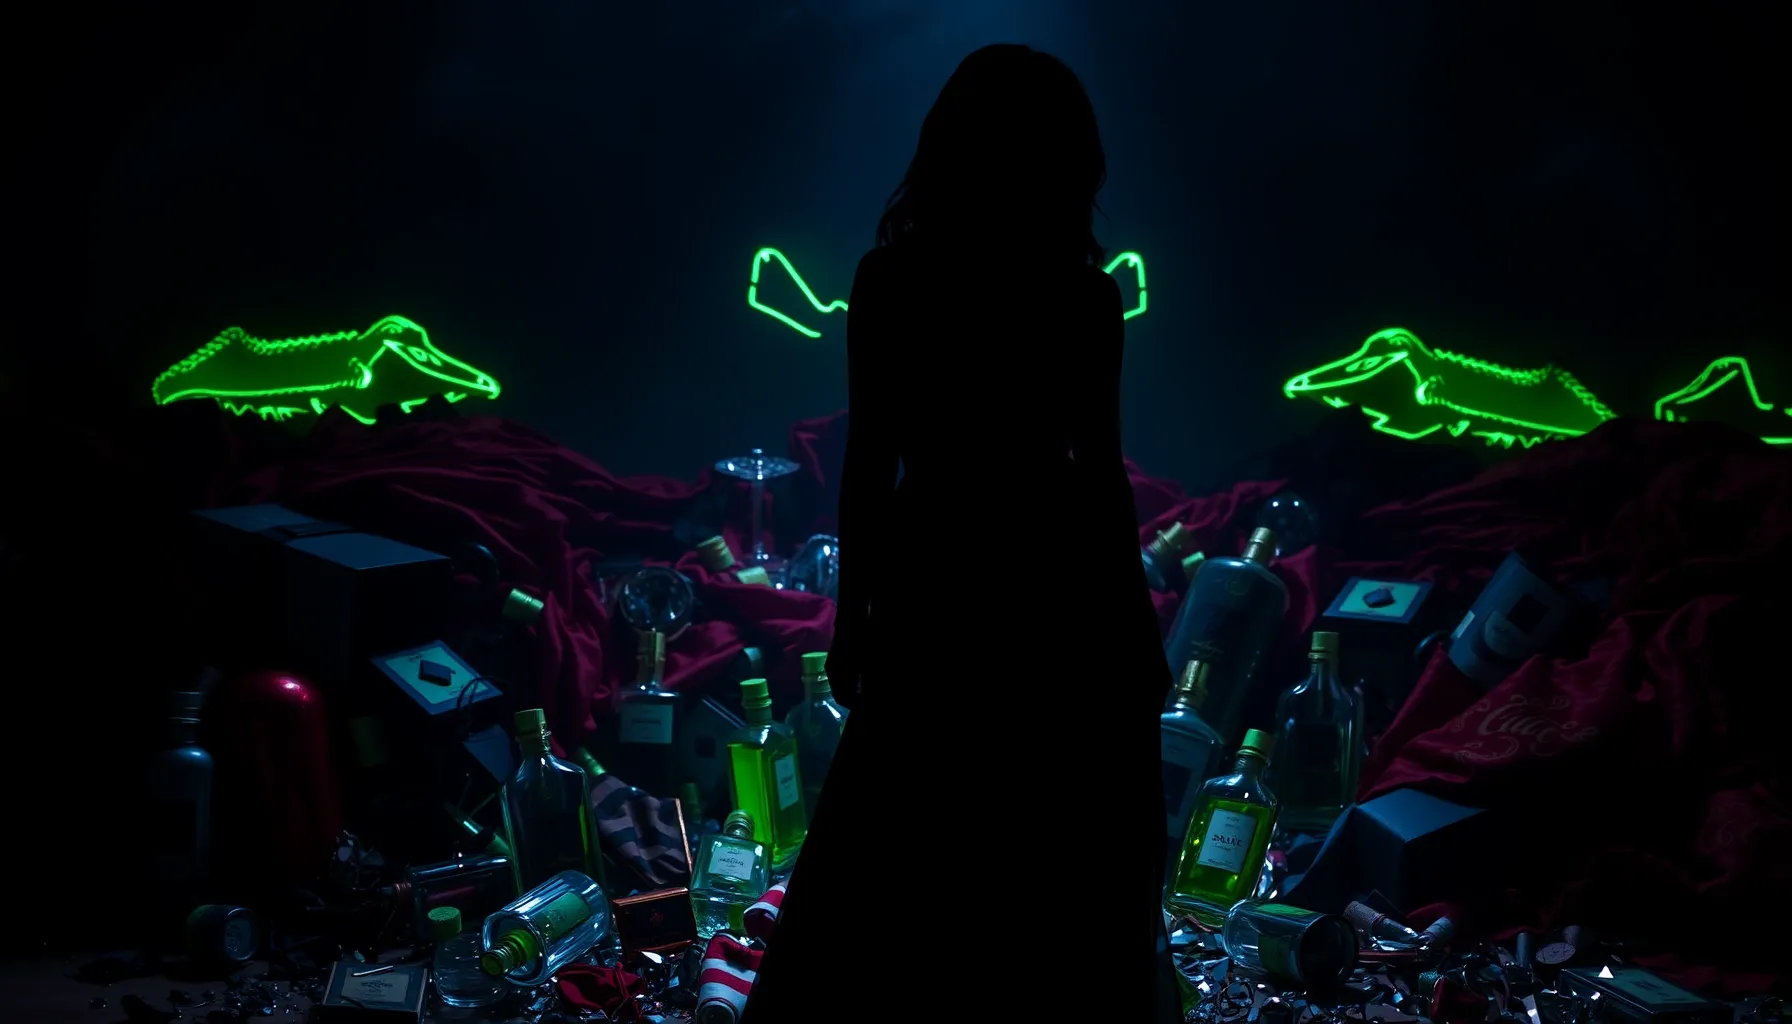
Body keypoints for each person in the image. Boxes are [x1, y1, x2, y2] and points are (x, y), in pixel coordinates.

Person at [740, 45, 1179, 1021]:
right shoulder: (1083, 296)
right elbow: (1099, 477)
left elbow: (869, 469)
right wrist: (1138, 630)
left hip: (936, 567)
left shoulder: (891, 281)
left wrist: (852, 624)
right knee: (1053, 844)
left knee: (907, 832)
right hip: (1055, 576)